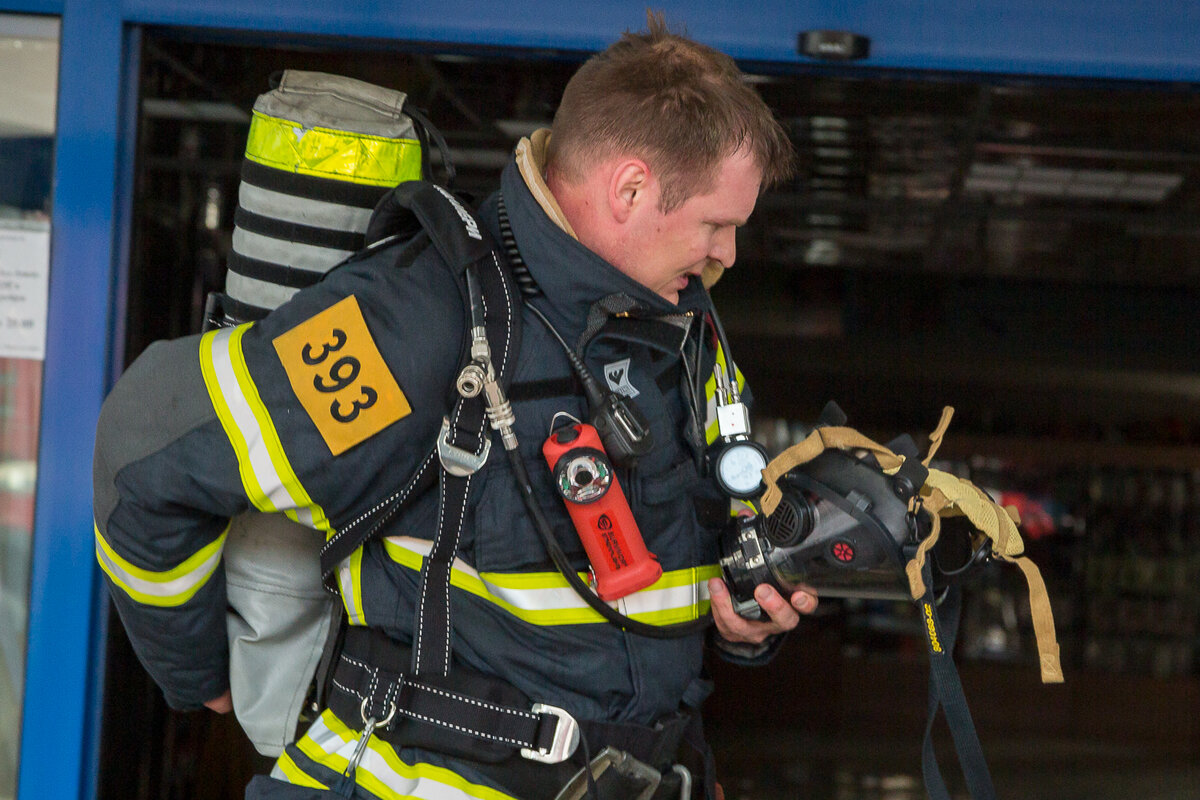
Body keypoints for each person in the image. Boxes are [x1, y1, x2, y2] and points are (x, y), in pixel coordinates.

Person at [93, 14, 816, 800]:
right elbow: (147, 448)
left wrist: (743, 630)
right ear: (631, 187)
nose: (728, 256)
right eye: (716, 225)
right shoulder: (421, 320)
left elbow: (650, 598)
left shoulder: (682, 334)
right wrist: (200, 675)